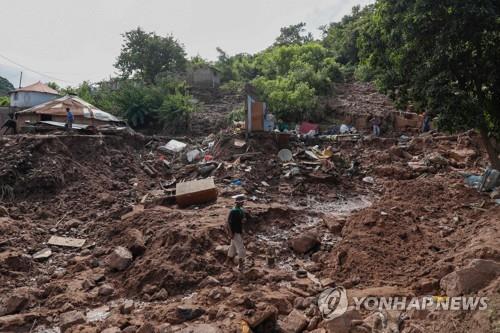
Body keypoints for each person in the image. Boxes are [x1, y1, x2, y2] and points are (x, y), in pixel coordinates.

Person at [226, 196, 246, 270]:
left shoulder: (240, 210)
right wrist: (230, 233)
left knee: (233, 247)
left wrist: (243, 222)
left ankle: (227, 262)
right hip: (235, 232)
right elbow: (228, 223)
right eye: (242, 202)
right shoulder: (234, 211)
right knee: (241, 248)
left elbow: (240, 221)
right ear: (238, 203)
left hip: (238, 231)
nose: (243, 203)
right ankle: (241, 265)